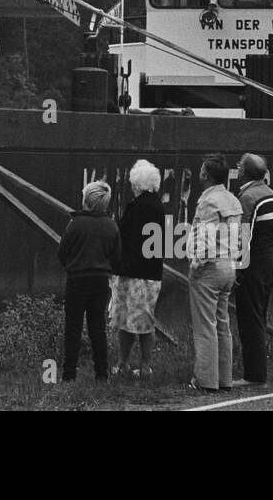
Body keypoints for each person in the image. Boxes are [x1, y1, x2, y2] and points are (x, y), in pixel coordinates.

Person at [187, 153, 242, 393]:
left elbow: (206, 237)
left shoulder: (208, 202)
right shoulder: (232, 200)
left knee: (205, 326)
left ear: (206, 175)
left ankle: (206, 380)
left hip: (210, 268)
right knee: (222, 324)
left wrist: (196, 264)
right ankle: (224, 378)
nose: (199, 173)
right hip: (229, 265)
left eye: (201, 170)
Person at [58, 180, 121, 382]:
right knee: (97, 327)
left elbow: (62, 252)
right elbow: (116, 256)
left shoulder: (75, 224)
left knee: (73, 327)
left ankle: (69, 374)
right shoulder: (111, 225)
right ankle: (102, 373)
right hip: (101, 280)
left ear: (86, 200)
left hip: (77, 279)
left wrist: (72, 265)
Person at [112, 159, 165, 380]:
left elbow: (122, 235)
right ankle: (145, 366)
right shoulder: (158, 206)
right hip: (152, 271)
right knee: (146, 320)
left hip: (133, 272)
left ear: (137, 184)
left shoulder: (137, 207)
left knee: (127, 321)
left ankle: (124, 363)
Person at [234, 153, 273, 386]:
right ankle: (258, 371)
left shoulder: (247, 197)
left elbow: (244, 235)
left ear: (244, 171)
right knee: (260, 317)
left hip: (253, 266)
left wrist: (238, 268)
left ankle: (254, 375)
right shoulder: (272, 195)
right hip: (270, 262)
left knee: (249, 319)